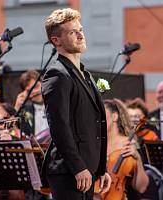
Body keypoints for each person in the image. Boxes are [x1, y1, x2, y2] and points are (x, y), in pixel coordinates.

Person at [41, 8, 111, 200]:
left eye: (81, 30)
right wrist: (78, 167)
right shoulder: (56, 74)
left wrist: (101, 168)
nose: (81, 35)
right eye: (72, 32)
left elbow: (94, 124)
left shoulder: (85, 74)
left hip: (88, 169)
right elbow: (59, 126)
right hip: (69, 172)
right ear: (56, 40)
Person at [96, 99, 149, 200]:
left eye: (102, 114)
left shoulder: (131, 144)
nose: (98, 119)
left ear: (114, 116)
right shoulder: (95, 144)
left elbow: (141, 188)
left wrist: (137, 159)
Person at [15, 70, 49, 139]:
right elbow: (11, 129)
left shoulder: (56, 103)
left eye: (36, 86)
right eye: (29, 90)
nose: (34, 92)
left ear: (42, 83)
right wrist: (16, 108)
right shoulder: (24, 112)